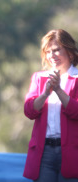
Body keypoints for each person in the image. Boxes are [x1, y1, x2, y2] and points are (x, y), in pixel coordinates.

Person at [23, 29, 78, 182]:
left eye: (56, 50)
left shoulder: (76, 78)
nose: (51, 55)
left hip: (72, 153)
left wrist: (59, 90)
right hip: (44, 152)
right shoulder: (39, 78)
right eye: (48, 51)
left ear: (70, 52)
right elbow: (29, 110)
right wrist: (46, 93)